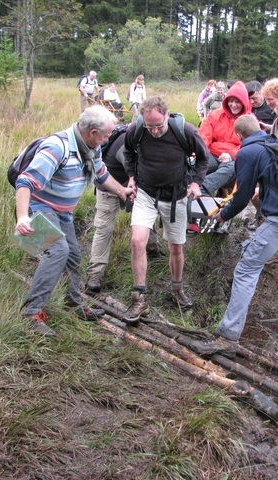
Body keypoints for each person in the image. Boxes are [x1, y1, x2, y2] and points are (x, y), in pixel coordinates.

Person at [200, 114, 278, 353]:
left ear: (238, 136)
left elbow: (241, 196)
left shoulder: (248, 153)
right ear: (261, 129)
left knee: (246, 269)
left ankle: (227, 336)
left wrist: (223, 215)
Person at [15, 106, 132, 337]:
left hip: (62, 212)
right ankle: (30, 312)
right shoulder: (57, 147)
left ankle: (73, 303)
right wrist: (22, 217)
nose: (108, 139)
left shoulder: (92, 147)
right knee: (58, 251)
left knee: (73, 256)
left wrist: (121, 191)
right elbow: (25, 182)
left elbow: (101, 175)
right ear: (92, 131)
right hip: (39, 207)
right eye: (106, 135)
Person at [122, 96, 210, 320]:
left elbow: (203, 158)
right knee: (137, 240)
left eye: (158, 126)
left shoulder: (185, 131)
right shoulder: (137, 130)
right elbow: (128, 152)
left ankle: (177, 289)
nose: (154, 131)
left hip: (176, 196)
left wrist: (196, 183)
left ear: (167, 115)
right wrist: (131, 176)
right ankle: (139, 298)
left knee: (176, 247)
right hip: (146, 193)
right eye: (149, 126)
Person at [85, 127, 129, 293]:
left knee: (145, 221)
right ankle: (95, 274)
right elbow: (135, 171)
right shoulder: (125, 142)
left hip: (131, 186)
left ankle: (151, 248)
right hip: (108, 187)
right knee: (104, 229)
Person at [198, 80, 251, 196]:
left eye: (238, 102)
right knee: (196, 163)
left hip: (233, 159)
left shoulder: (249, 120)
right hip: (212, 154)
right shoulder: (215, 114)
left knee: (229, 169)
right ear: (226, 101)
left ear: (244, 102)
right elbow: (204, 134)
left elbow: (249, 145)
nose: (233, 105)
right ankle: (181, 191)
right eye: (231, 101)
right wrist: (201, 150)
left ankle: (199, 190)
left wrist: (231, 155)